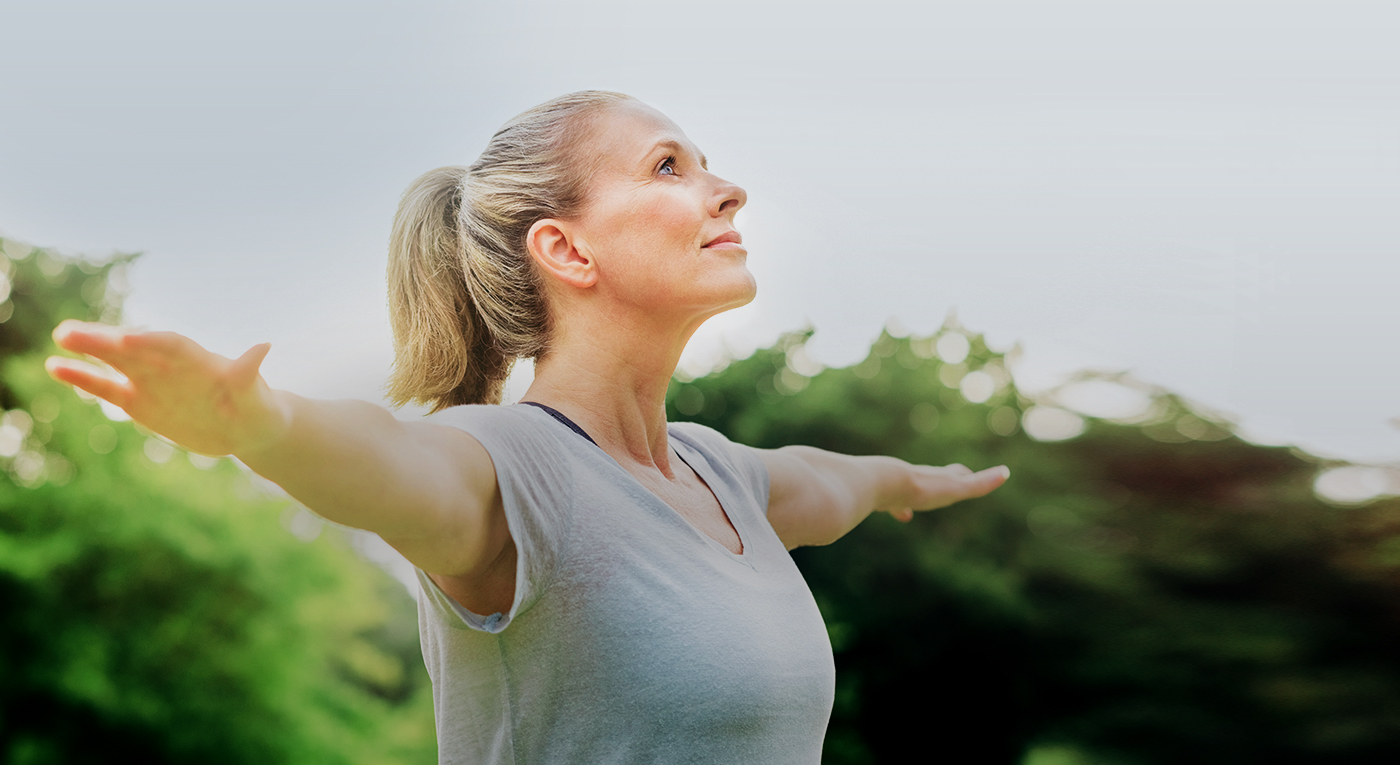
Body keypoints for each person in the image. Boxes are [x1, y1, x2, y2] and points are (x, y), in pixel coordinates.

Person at [45, 91, 1011, 764]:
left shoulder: (727, 477)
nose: (726, 190)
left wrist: (921, 481)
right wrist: (262, 423)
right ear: (566, 248)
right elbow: (391, 461)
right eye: (669, 165)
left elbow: (839, 478)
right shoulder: (516, 466)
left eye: (707, 163)